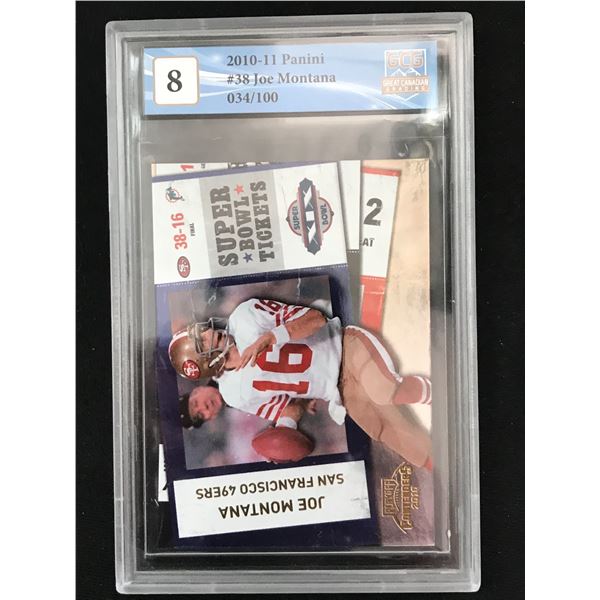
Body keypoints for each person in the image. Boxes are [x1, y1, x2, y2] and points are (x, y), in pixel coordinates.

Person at [170, 298, 432, 468]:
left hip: (346, 348)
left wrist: (270, 338)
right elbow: (288, 407)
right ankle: (439, 464)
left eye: (201, 332)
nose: (208, 332)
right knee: (383, 431)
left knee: (384, 391)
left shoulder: (244, 316)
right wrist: (283, 433)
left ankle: (435, 392)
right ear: (204, 364)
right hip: (339, 391)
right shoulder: (233, 394)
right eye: (201, 342)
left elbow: (316, 319)